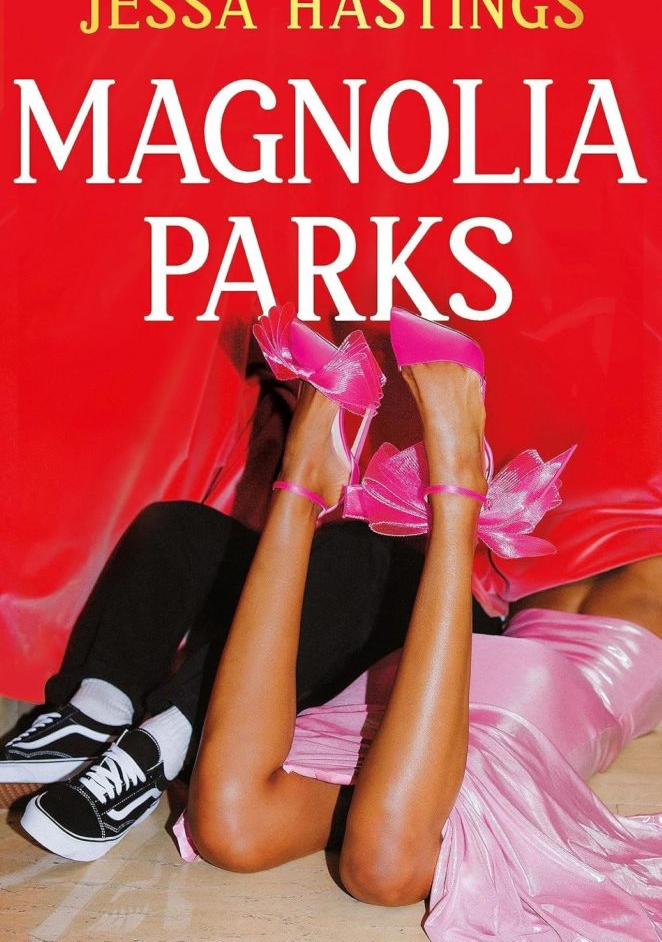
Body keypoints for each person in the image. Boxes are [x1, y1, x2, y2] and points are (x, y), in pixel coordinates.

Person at [158, 306, 660, 941]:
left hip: (464, 677)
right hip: (506, 692)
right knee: (357, 860)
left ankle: (307, 480)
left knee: (245, 831)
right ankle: (443, 488)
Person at [1, 342, 498, 859]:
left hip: (423, 617)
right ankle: (94, 711)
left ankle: (162, 744)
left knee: (358, 550)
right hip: (317, 560)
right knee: (179, 527)